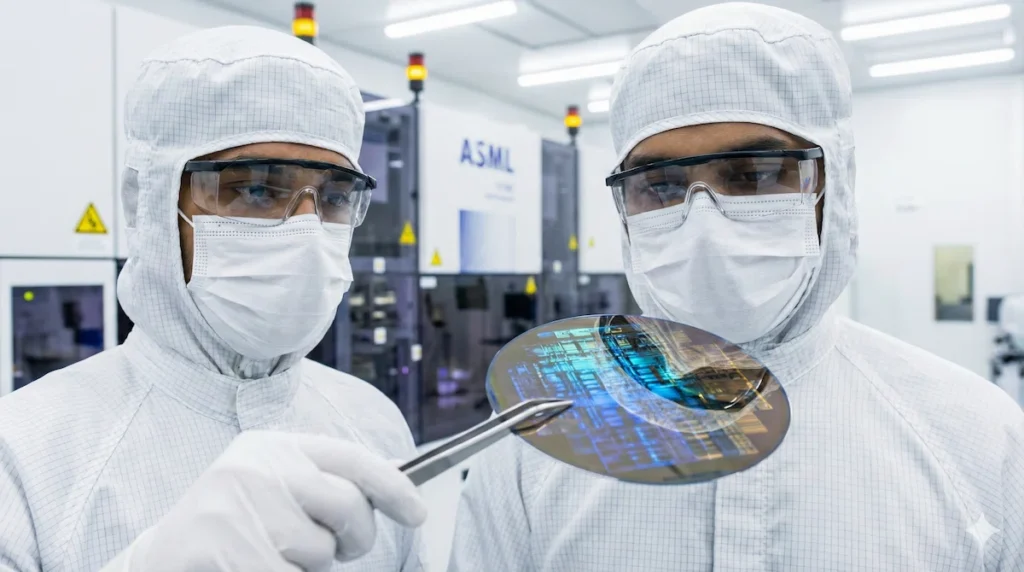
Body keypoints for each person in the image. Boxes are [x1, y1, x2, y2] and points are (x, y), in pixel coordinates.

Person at [448, 4, 1024, 571]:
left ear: (834, 184)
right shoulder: (534, 445)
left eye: (756, 174)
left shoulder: (976, 442)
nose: (704, 225)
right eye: (659, 184)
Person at [0, 26, 427, 571]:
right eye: (255, 189)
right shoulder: (23, 454)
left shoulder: (373, 421)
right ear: (151, 201)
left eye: (335, 197)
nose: (306, 233)